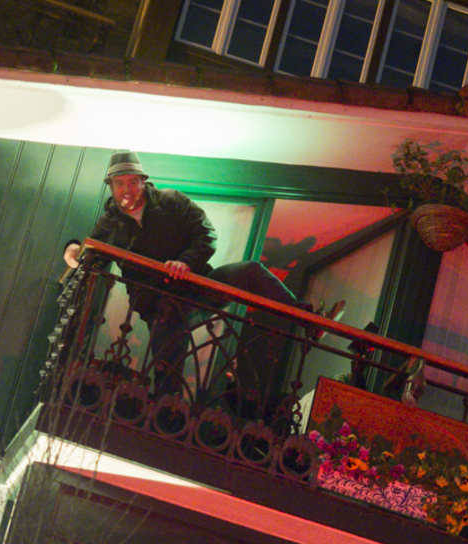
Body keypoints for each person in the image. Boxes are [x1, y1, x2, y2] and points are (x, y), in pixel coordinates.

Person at [63, 151, 344, 396]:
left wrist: (185, 262)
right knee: (167, 359)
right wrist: (73, 248)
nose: (128, 190)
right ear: (111, 186)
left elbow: (206, 234)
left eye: (133, 182)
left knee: (251, 270)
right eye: (120, 183)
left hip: (198, 287)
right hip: (160, 305)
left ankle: (309, 321)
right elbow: (90, 255)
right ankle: (166, 412)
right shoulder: (109, 224)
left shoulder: (171, 200)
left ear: (143, 181)